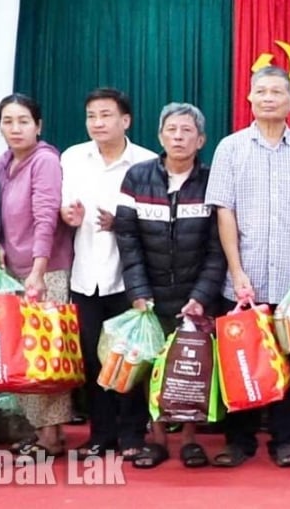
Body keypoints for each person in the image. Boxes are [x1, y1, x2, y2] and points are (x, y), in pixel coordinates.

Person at [205, 66, 290, 468]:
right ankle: (239, 440)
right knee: (240, 360)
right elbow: (224, 211)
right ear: (249, 99)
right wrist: (236, 268)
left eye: (277, 92)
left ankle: (285, 441)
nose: (269, 98)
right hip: (243, 280)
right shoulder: (231, 147)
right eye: (261, 91)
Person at [114, 102, 225, 469]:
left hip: (196, 294)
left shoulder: (213, 180)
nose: (178, 137)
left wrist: (200, 297)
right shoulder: (137, 177)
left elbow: (218, 247)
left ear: (201, 139)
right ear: (161, 135)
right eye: (172, 130)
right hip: (151, 293)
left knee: (192, 366)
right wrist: (138, 292)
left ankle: (190, 439)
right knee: (153, 367)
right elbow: (127, 240)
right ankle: (158, 439)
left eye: (187, 131)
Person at [60, 88, 157, 458]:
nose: (97, 123)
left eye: (105, 115)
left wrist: (122, 223)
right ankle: (100, 434)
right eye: (91, 116)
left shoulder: (146, 162)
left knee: (128, 357)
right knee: (93, 357)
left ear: (125, 120)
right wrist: (68, 216)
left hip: (128, 276)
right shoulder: (73, 158)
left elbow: (157, 221)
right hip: (85, 274)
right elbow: (64, 206)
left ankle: (133, 434)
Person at [0, 93, 75, 458]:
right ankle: (40, 430)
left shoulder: (45, 161)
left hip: (46, 272)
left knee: (48, 355)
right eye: (8, 121)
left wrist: (39, 272)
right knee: (23, 357)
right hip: (11, 273)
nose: (15, 128)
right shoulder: (0, 163)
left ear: (38, 126)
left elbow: (46, 217)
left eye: (23, 121)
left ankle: (53, 437)